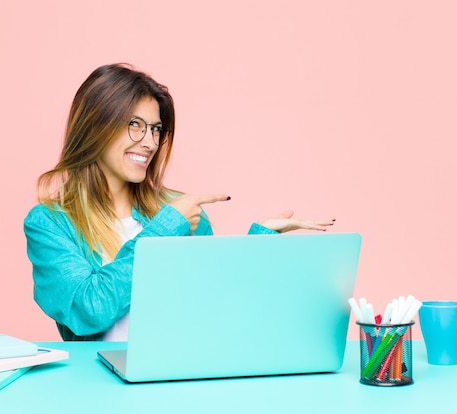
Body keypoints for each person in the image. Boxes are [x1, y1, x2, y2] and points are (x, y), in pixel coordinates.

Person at [24, 63, 335, 341]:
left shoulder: (180, 212)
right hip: (100, 387)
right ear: (95, 126)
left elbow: (215, 307)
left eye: (156, 129)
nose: (149, 142)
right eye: (134, 124)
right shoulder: (50, 223)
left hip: (178, 382)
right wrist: (165, 228)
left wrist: (257, 243)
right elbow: (87, 309)